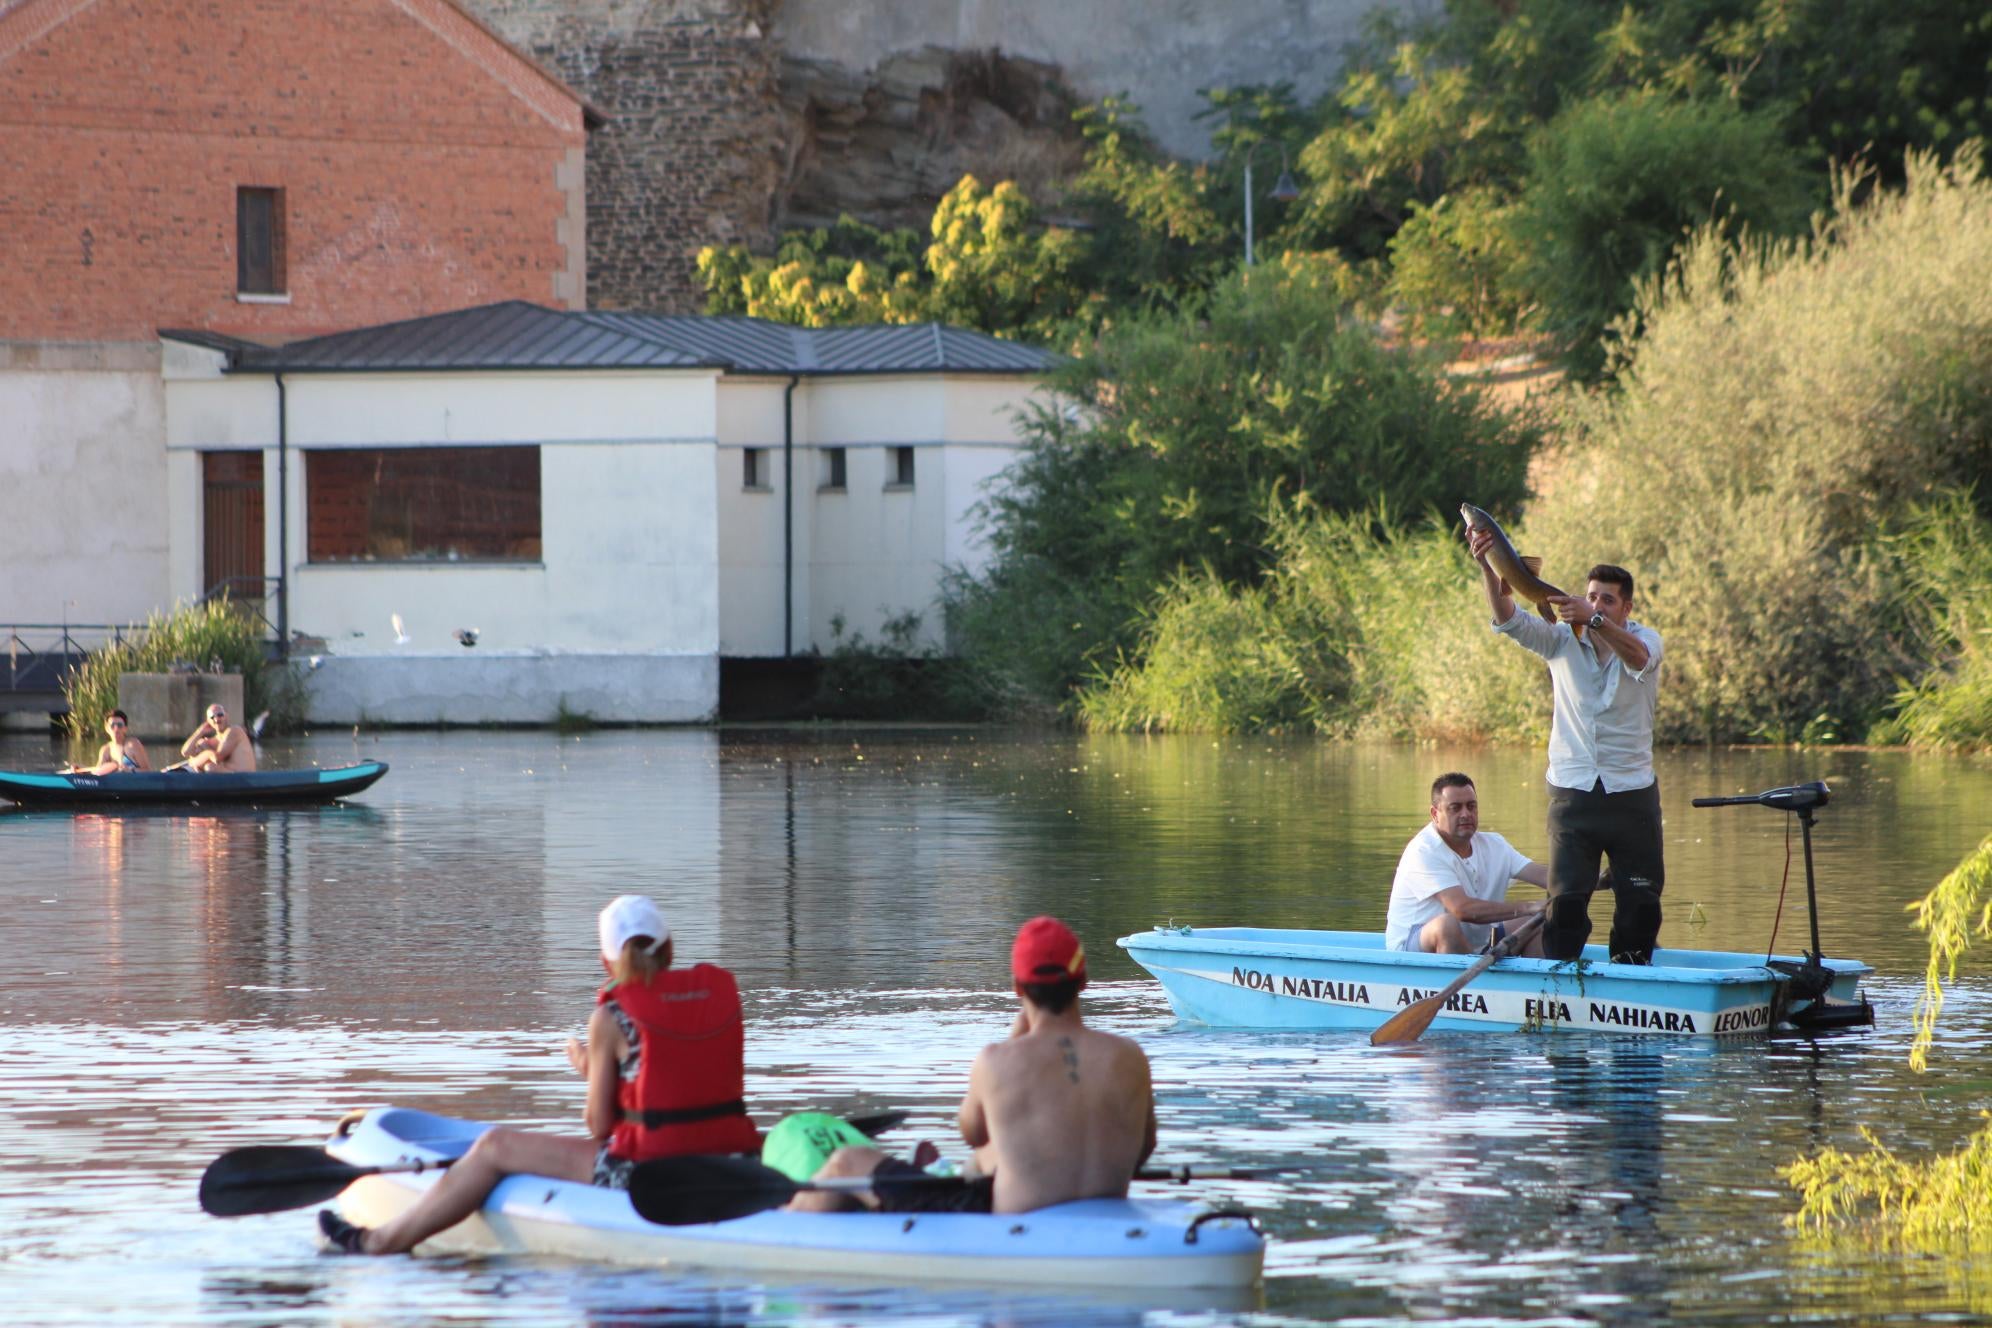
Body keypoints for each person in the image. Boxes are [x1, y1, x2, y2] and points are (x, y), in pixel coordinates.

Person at [318, 894, 760, 1254]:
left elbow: (600, 1126)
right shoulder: (721, 989)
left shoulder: (609, 1017)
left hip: (649, 1173)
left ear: (608, 963)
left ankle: (380, 1241)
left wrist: (591, 1070)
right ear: (669, 948)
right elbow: (681, 1074)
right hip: (735, 1161)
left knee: (493, 1146)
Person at [790, 916, 1156, 1216]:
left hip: (1008, 1216)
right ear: (1084, 982)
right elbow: (1144, 1148)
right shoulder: (1131, 1056)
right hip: (1108, 1207)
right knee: (991, 1154)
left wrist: (1015, 1045)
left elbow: (972, 1133)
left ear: (1017, 988)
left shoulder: (997, 1061)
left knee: (847, 1162)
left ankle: (781, 1229)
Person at [1468, 526, 1665, 963]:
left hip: (1631, 795)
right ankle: (1560, 980)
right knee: (1568, 903)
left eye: (1606, 600)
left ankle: (1632, 977)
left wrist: (1593, 621)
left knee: (1641, 903)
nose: (1595, 605)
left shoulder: (1646, 640)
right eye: (1591, 596)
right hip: (1573, 795)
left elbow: (1638, 658)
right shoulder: (1560, 640)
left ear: (1626, 608)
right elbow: (1509, 619)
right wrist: (1487, 564)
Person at [1385, 772, 1546, 956]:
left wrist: (1577, 879)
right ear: (1435, 814)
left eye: (1471, 806)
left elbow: (1544, 876)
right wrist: (1530, 906)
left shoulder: (1495, 846)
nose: (1466, 814)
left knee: (1541, 921)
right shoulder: (1423, 850)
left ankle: (1533, 983)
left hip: (1477, 948)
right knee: (1446, 925)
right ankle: (1472, 981)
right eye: (1455, 808)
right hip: (1410, 952)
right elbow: (1461, 910)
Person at [64, 710, 150, 775]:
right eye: (112, 725)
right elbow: (98, 771)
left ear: (125, 728)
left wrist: (130, 770)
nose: (116, 729)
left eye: (119, 725)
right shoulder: (105, 749)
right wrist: (80, 769)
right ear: (107, 728)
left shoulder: (133, 744)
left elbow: (147, 770)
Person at [179, 703, 257, 773]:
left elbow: (217, 758)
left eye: (220, 715)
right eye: (212, 717)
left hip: (244, 778)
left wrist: (196, 761)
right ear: (208, 721)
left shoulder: (234, 731)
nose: (216, 719)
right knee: (203, 748)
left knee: (210, 767)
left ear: (226, 716)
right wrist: (200, 732)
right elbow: (186, 752)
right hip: (227, 777)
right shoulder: (213, 741)